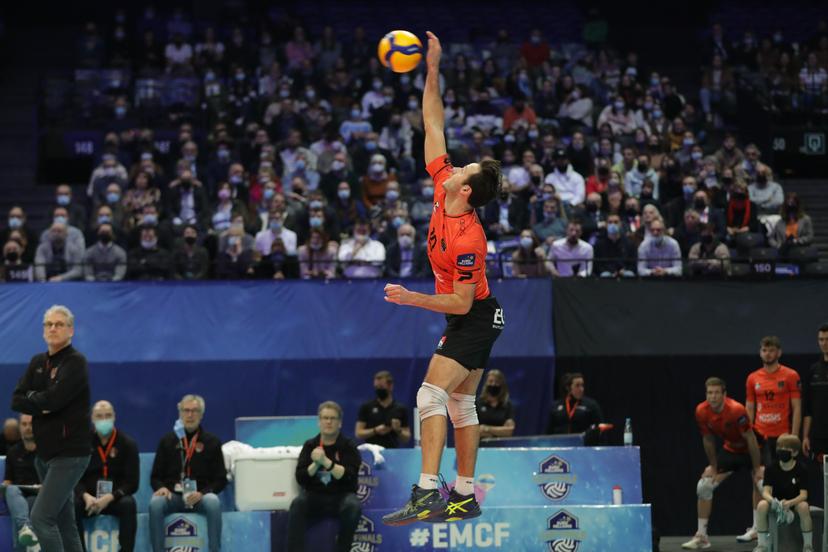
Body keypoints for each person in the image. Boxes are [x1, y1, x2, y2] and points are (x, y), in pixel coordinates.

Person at [382, 32, 504, 525]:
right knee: (459, 403)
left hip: (473, 314)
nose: (456, 164)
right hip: (475, 313)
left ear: (467, 188)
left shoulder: (469, 238)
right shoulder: (442, 183)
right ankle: (466, 496)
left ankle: (429, 491)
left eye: (465, 167)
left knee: (429, 396)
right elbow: (433, 121)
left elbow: (457, 303)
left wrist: (412, 298)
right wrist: (431, 69)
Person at [11, 305, 91, 552]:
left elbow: (55, 400)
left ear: (71, 331)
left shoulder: (75, 362)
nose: (53, 328)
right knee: (65, 523)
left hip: (70, 454)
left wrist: (37, 400)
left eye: (59, 324)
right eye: (49, 324)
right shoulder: (38, 362)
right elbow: (16, 399)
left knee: (40, 518)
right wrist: (43, 402)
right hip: (45, 456)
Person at [681, 377, 762, 550]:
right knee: (704, 486)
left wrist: (757, 468)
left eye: (717, 393)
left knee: (762, 485)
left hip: (753, 449)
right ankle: (702, 536)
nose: (713, 397)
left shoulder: (736, 410)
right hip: (731, 451)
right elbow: (708, 440)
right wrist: (713, 466)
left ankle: (761, 533)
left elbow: (751, 439)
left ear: (724, 394)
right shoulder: (701, 411)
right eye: (710, 393)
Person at [740, 336, 802, 544]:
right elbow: (749, 408)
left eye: (772, 350)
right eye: (765, 350)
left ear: (779, 352)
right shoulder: (752, 378)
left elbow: (797, 407)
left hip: (783, 436)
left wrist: (793, 437)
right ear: (760, 352)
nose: (768, 354)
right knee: (758, 481)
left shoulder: (791, 375)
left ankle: (790, 522)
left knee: (787, 478)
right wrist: (748, 436)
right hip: (760, 437)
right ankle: (758, 527)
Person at [149, 395, 226, 552]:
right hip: (173, 496)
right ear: (180, 413)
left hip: (199, 497)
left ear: (202, 414)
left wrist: (203, 493)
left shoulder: (212, 442)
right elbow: (155, 477)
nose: (190, 415)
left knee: (213, 502)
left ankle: (215, 550)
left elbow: (220, 480)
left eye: (195, 411)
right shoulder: (167, 441)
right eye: (186, 410)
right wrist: (161, 488)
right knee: (155, 504)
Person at [288, 401, 362, 552]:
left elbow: (349, 475)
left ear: (339, 423)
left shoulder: (348, 445)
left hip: (342, 496)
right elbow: (300, 477)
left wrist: (326, 462)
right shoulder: (310, 445)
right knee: (297, 504)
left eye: (333, 418)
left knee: (353, 506)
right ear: (319, 421)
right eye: (325, 418)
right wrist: (315, 464)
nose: (328, 421)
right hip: (314, 496)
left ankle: (342, 548)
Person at [74, 400, 139, 552]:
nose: (104, 420)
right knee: (71, 505)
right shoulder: (81, 444)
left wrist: (110, 497)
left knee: (129, 504)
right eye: (99, 416)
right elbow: (74, 478)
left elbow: (132, 483)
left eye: (108, 416)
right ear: (92, 419)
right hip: (88, 501)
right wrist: (85, 496)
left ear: (114, 417)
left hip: (114, 499)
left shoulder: (128, 444)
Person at [754, 434, 813, 552]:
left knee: (804, 506)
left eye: (786, 449)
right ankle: (762, 545)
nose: (782, 451)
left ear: (795, 453)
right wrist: (773, 501)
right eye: (780, 448)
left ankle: (808, 546)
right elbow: (766, 491)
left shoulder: (801, 469)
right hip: (776, 502)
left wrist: (790, 503)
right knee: (761, 505)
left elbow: (803, 495)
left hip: (794, 502)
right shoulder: (771, 468)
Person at [4, 414, 40, 550]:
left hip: (40, 495)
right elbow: (8, 481)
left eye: (30, 424)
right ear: (19, 427)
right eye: (24, 424)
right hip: (18, 495)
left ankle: (24, 529)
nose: (28, 428)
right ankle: (26, 527)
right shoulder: (13, 452)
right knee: (11, 490)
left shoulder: (47, 451)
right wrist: (4, 488)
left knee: (28, 503)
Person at [355, 371, 411, 448]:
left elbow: (406, 438)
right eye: (376, 387)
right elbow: (359, 433)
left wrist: (398, 430)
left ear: (390, 386)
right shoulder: (367, 407)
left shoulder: (400, 409)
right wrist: (375, 430)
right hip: (372, 451)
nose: (379, 390)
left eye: (381, 387)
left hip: (392, 451)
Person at [802, 323, 828, 466]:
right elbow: (808, 409)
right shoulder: (813, 370)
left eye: (827, 339)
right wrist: (805, 436)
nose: (824, 343)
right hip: (819, 436)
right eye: (821, 339)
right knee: (823, 476)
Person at [477, 369, 516, 439]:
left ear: (502, 385)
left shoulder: (507, 405)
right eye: (491, 381)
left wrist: (486, 428)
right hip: (480, 446)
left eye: (497, 382)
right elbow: (476, 430)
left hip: (501, 446)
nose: (493, 384)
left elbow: (509, 430)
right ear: (486, 384)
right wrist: (499, 432)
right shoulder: (478, 403)